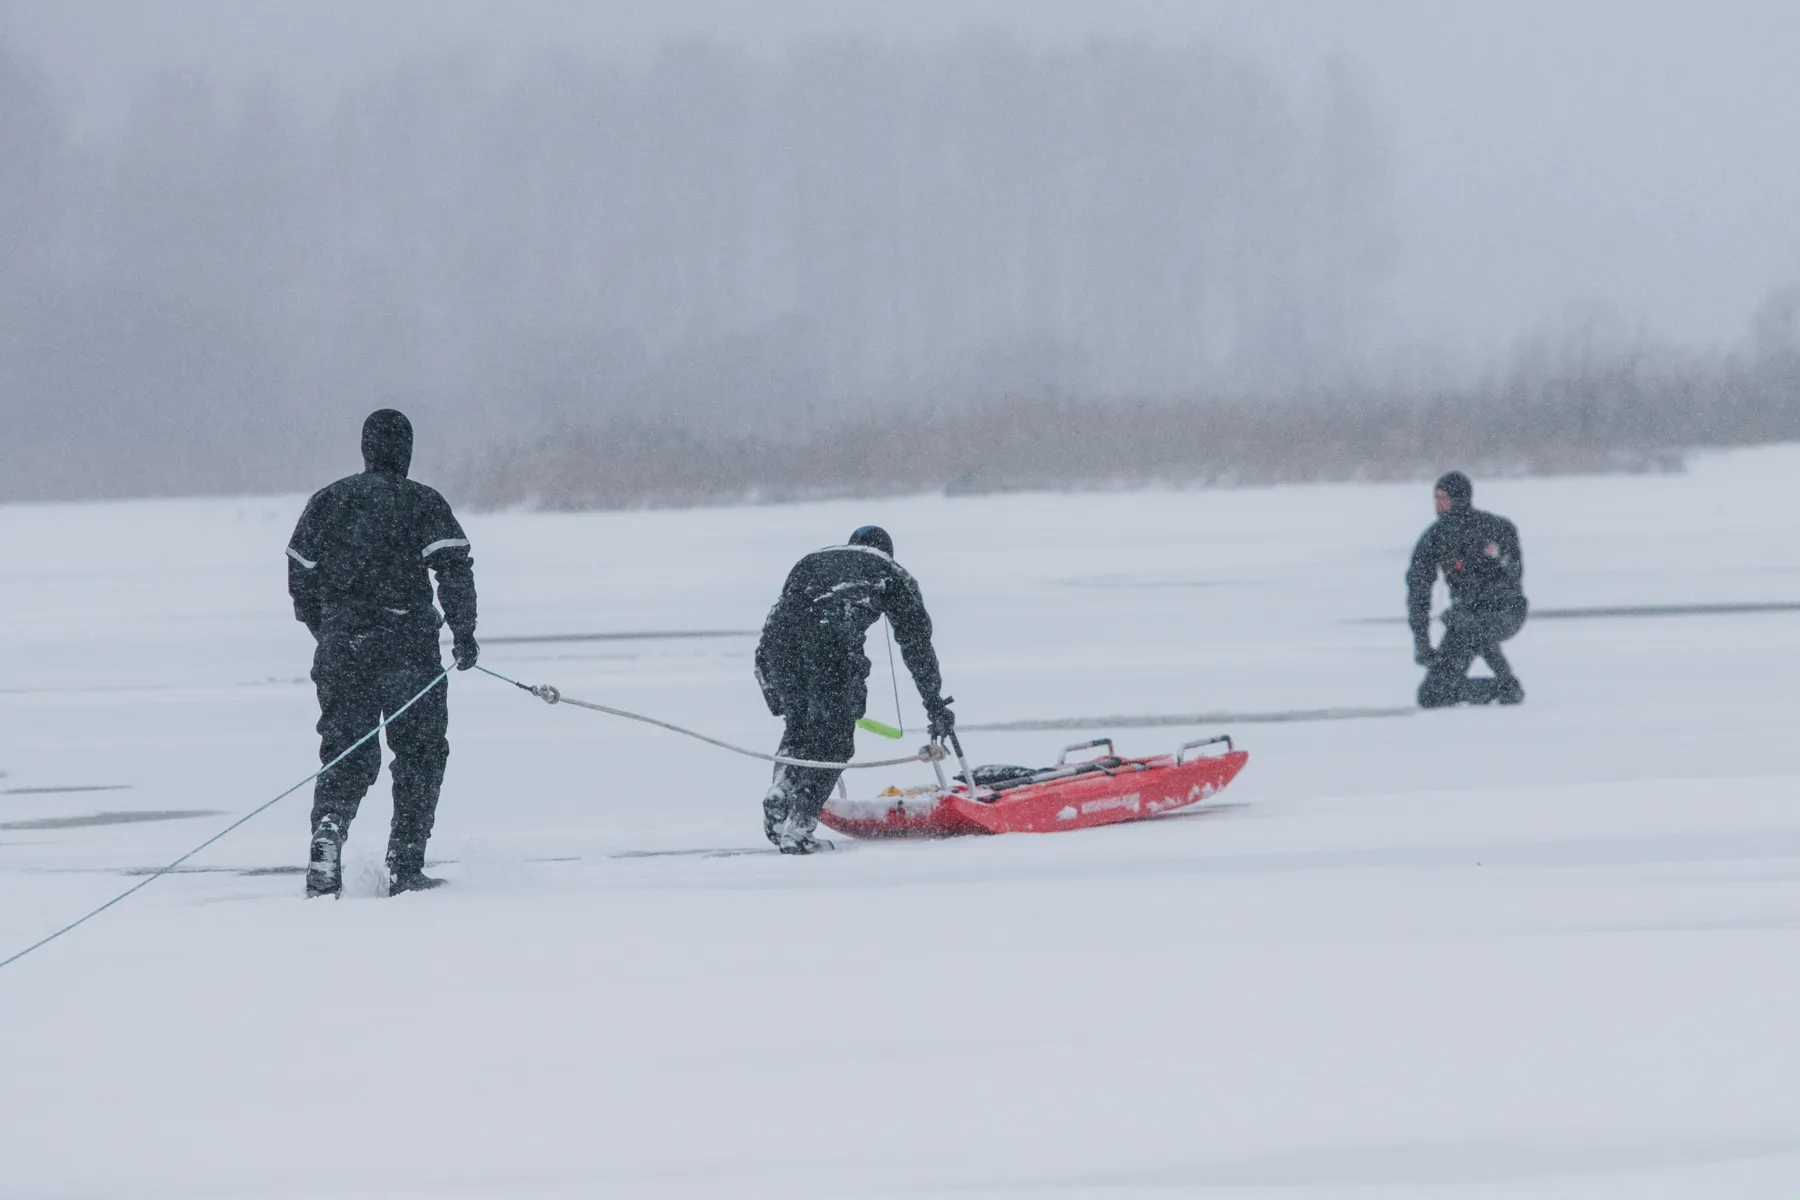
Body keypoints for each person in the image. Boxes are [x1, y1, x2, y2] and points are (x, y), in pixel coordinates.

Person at [287, 409, 480, 897]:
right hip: (408, 653)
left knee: (346, 753)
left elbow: (299, 572)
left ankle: (328, 832)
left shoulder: (328, 501)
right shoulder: (421, 501)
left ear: (365, 449)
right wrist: (463, 632)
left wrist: (328, 628)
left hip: (343, 651)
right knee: (420, 753)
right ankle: (406, 863)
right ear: (407, 451)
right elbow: (453, 568)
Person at [754, 526, 954, 853]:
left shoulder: (813, 561)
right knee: (835, 740)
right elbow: (917, 644)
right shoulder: (891, 573)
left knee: (800, 728)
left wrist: (774, 692)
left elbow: (778, 627)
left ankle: (781, 790)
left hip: (778, 649)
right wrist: (934, 704)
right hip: (829, 641)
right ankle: (799, 828)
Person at [1406, 471, 1527, 708]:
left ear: (1460, 498)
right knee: (1432, 694)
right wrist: (1422, 642)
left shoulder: (1496, 528)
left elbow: (1512, 576)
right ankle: (1498, 688)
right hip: (1464, 620)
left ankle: (1505, 678)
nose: (1439, 505)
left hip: (1505, 611)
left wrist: (1478, 602)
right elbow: (1418, 590)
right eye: (1436, 498)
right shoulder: (1434, 538)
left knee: (1472, 626)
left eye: (1445, 498)